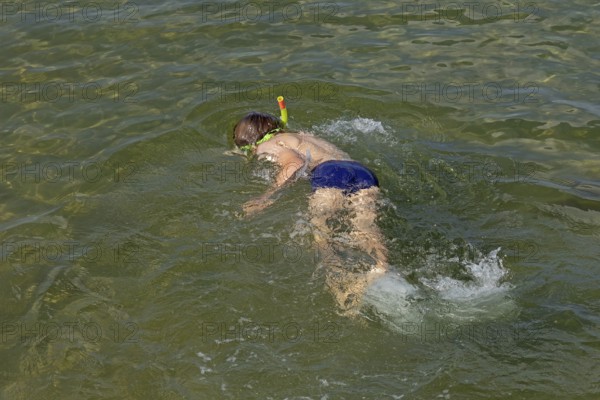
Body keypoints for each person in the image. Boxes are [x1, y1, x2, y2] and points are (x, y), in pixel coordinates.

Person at [233, 111, 388, 314]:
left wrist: (265, 198)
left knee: (321, 232)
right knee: (365, 227)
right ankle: (383, 267)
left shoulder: (268, 145)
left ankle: (342, 289)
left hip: (330, 172)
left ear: (250, 143)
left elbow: (294, 164)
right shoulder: (303, 136)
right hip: (362, 172)